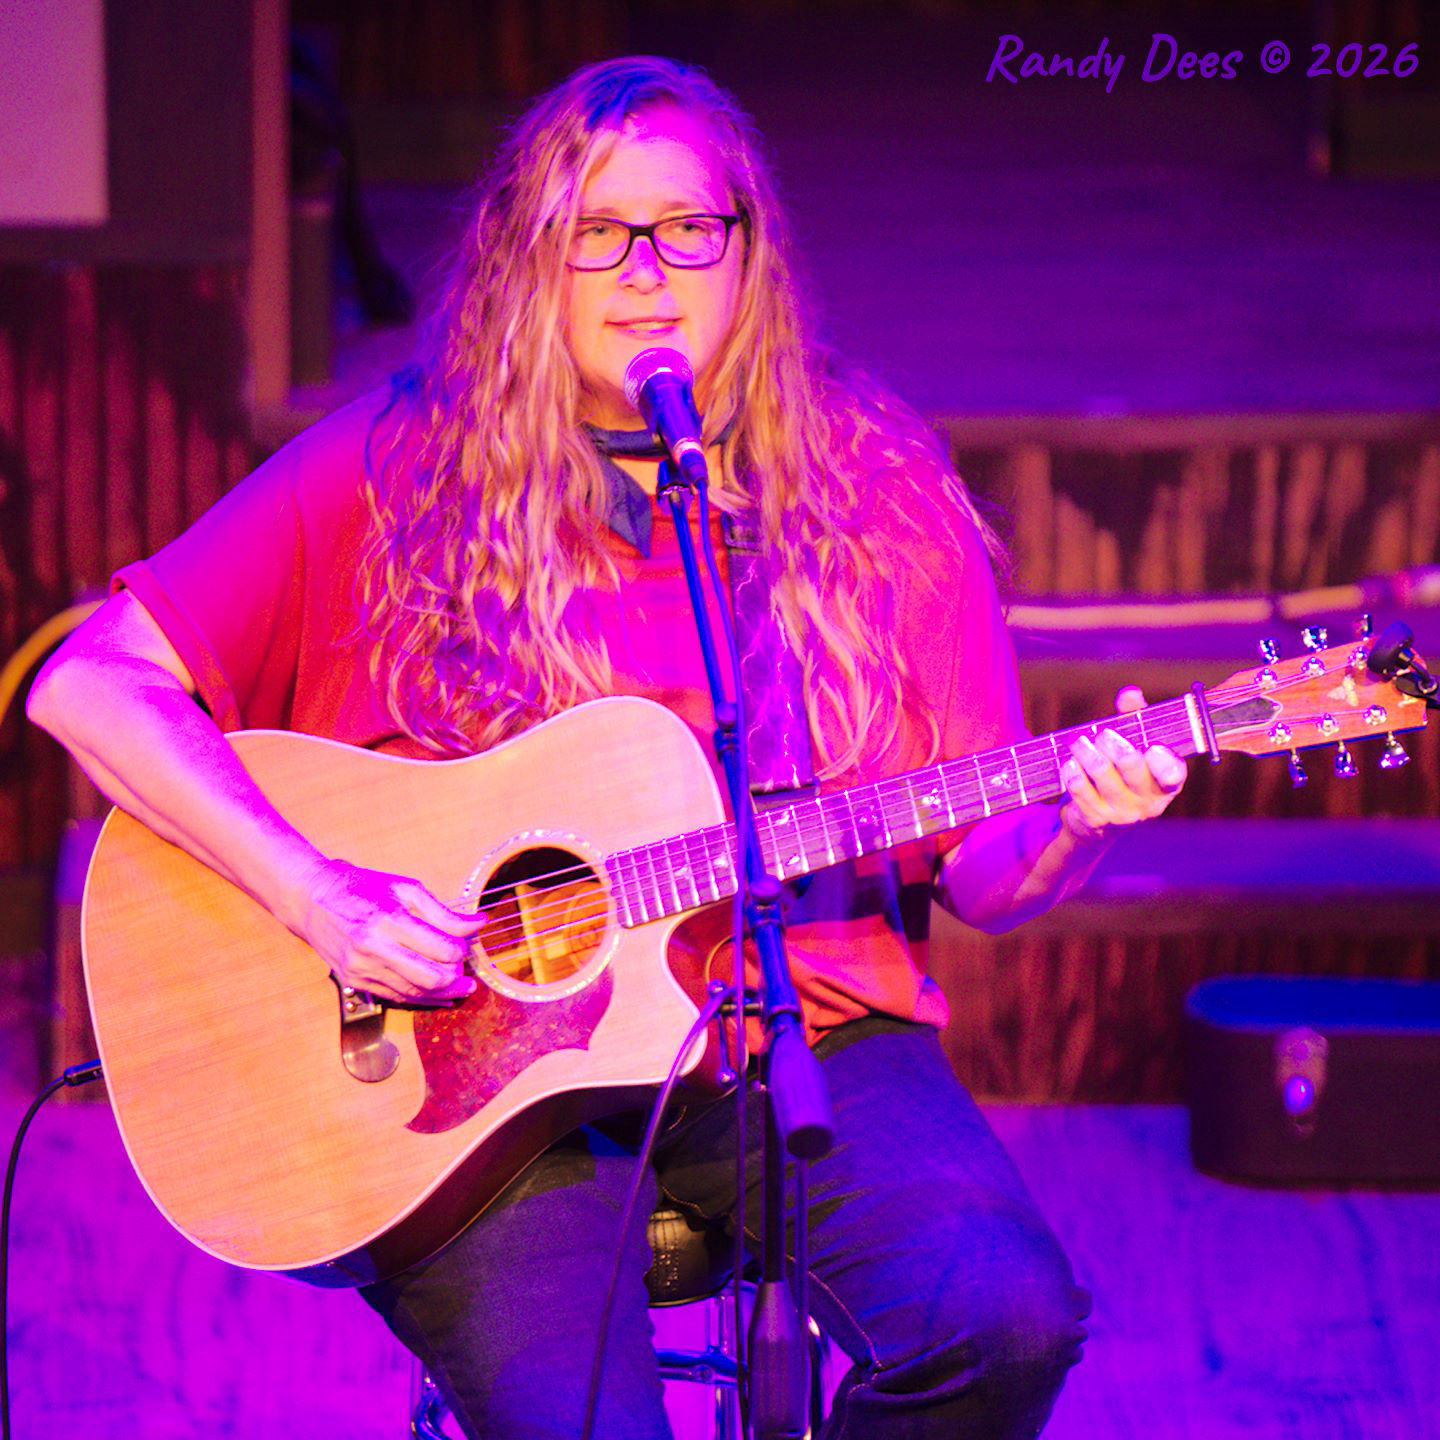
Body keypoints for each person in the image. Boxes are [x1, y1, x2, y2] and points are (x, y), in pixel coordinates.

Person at [29, 55, 1187, 1440]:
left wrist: (1077, 822)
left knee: (1002, 1320)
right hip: (465, 1086)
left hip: (795, 1025)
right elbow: (91, 686)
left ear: (748, 252)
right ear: (530, 258)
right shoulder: (395, 472)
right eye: (597, 232)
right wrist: (320, 896)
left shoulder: (875, 492)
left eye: (686, 227)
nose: (645, 271)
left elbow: (986, 877)